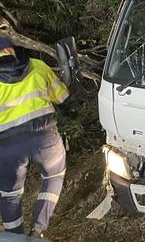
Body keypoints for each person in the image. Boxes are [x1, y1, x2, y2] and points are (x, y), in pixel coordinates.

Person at [0, 37, 69, 238]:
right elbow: (62, 97)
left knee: (10, 195)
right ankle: (38, 230)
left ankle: (14, 237)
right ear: (12, 50)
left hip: (7, 148)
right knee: (54, 176)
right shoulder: (38, 66)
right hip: (45, 139)